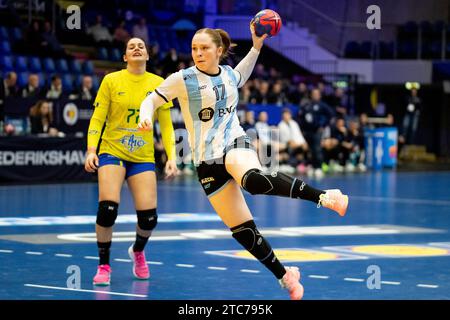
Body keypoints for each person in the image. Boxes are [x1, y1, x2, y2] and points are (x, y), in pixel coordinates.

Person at [138, 25, 349, 300]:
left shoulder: (227, 74)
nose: (198, 53)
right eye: (194, 49)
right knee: (243, 231)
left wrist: (256, 45)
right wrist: (145, 115)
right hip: (205, 161)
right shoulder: (183, 78)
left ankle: (325, 196)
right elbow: (151, 99)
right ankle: (286, 276)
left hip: (234, 142)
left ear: (219, 51)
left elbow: (241, 72)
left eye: (204, 48)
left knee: (254, 181)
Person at [84, 37, 178, 286]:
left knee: (149, 218)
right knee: (107, 210)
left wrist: (172, 157)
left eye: (141, 46)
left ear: (147, 55)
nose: (137, 48)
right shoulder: (111, 80)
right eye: (131, 47)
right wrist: (92, 150)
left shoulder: (159, 84)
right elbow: (97, 119)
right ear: (125, 57)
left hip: (142, 156)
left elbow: (166, 127)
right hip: (112, 151)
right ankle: (104, 264)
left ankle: (137, 251)